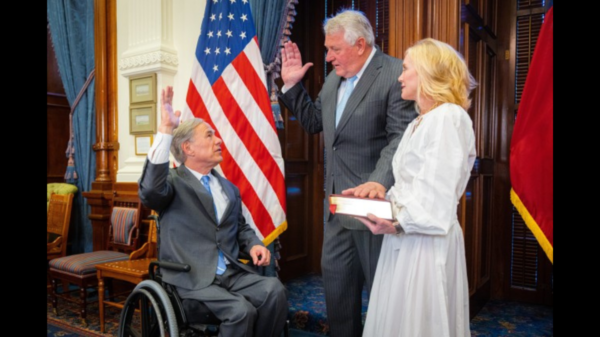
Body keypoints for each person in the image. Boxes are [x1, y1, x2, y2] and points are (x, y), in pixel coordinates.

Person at [278, 8, 417, 337]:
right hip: (337, 208)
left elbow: (400, 139)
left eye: (334, 49)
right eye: (327, 50)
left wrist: (377, 182)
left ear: (360, 44)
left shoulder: (395, 73)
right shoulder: (333, 80)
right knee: (338, 298)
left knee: (385, 300)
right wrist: (291, 86)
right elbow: (314, 123)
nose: (328, 58)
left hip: (374, 208)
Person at [346, 38, 478, 337]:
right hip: (406, 237)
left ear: (429, 74)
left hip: (426, 243)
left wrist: (397, 222)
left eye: (406, 69)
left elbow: (437, 195)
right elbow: (410, 185)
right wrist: (378, 198)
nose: (400, 76)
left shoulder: (448, 117)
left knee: (419, 324)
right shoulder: (419, 121)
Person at [138, 86, 288, 337]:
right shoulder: (172, 183)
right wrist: (165, 130)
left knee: (274, 291)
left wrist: (253, 245)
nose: (218, 140)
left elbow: (240, 228)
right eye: (209, 136)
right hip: (189, 279)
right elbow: (150, 191)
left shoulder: (228, 188)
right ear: (188, 148)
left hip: (230, 273)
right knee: (241, 311)